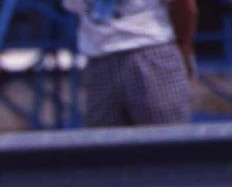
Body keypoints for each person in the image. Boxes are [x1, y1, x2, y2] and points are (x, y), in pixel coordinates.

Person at [62, 0, 196, 128]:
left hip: (150, 50)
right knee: (103, 141)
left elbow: (185, 6)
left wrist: (183, 47)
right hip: (98, 59)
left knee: (167, 137)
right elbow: (78, 9)